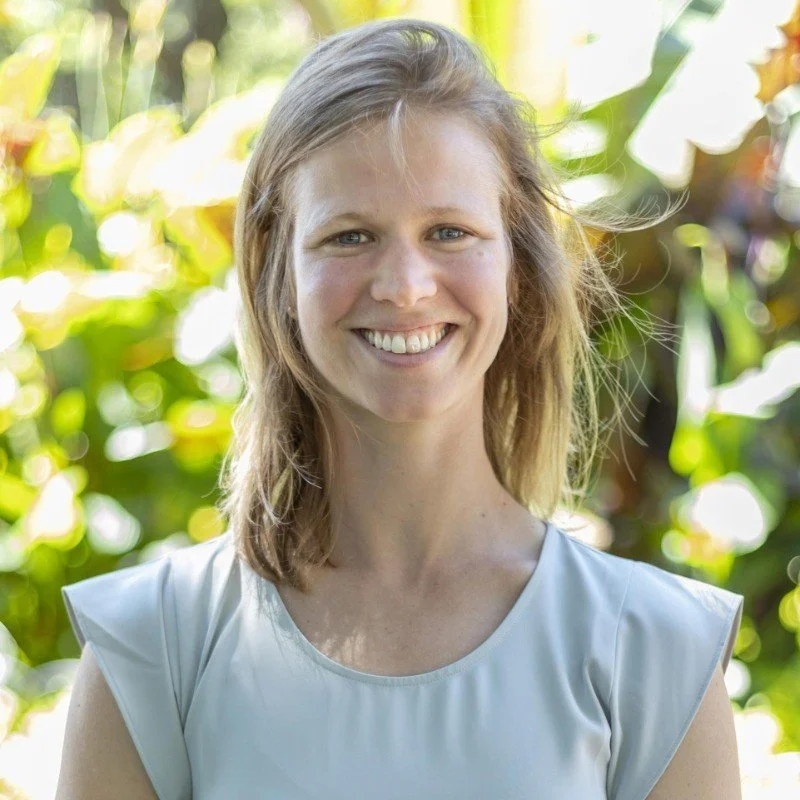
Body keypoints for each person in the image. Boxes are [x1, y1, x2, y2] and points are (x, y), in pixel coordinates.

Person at [56, 18, 744, 800]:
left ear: (517, 267)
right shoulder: (154, 650)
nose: (405, 285)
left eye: (449, 231)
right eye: (350, 237)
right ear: (277, 275)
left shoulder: (656, 655)